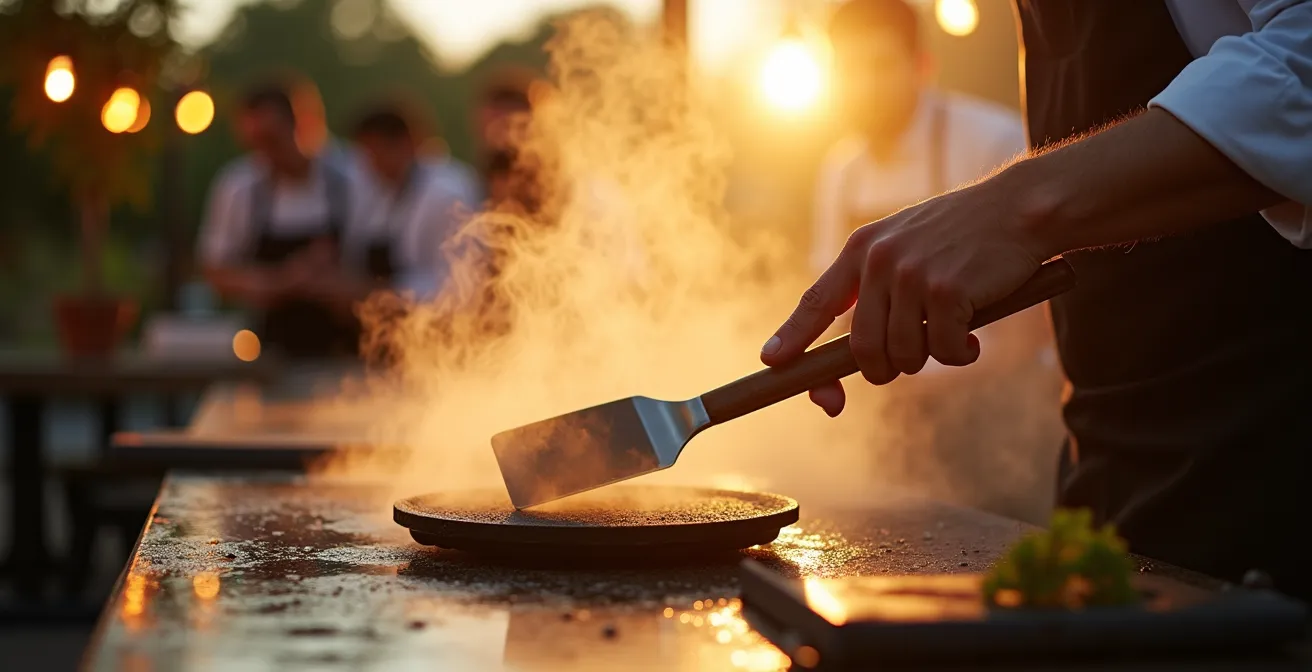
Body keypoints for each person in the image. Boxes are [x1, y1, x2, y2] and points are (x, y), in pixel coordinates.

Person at [763, 0, 1312, 601]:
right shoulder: (841, 170)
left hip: (1267, 444)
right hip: (1098, 446)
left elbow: (1300, 58)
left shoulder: (984, 138)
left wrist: (1015, 209)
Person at [198, 82, 363, 358]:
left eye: (271, 140)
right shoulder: (239, 187)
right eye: (254, 143)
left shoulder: (353, 177)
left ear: (304, 126)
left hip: (347, 351)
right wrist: (281, 281)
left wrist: (336, 282)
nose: (264, 154)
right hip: (271, 351)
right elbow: (216, 273)